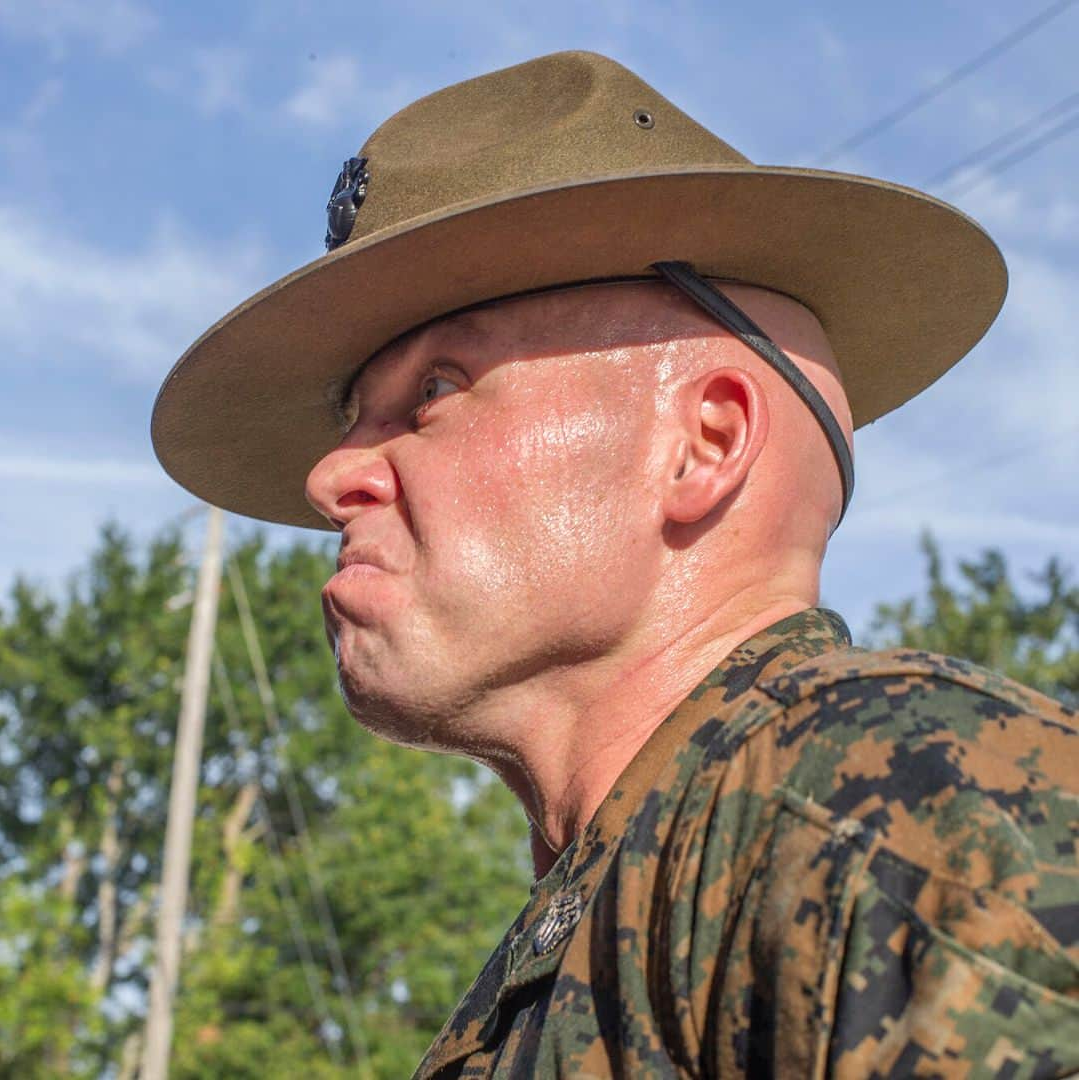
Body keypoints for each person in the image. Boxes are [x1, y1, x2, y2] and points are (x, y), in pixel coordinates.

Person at [153, 51, 1079, 1077]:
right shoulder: (569, 957)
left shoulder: (907, 815)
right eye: (353, 420)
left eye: (434, 391)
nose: (331, 478)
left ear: (707, 442)